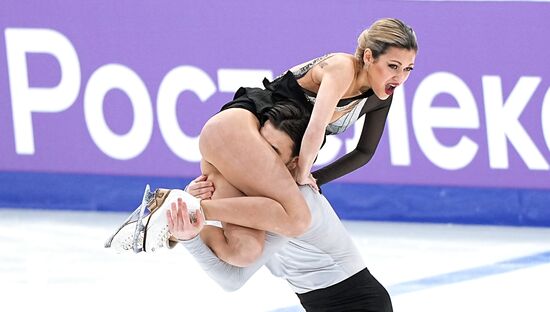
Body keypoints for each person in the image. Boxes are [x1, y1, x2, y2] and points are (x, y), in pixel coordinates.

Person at [108, 18, 417, 265]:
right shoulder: (342, 67)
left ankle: (179, 215)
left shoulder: (380, 98)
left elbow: (364, 153)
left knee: (242, 251)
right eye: (393, 66)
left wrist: (315, 179)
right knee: (297, 218)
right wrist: (301, 174)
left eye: (408, 69)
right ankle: (193, 207)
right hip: (237, 132)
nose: (401, 77)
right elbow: (315, 128)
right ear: (368, 57)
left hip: (251, 163)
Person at [165, 102, 392, 311]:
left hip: (360, 305)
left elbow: (232, 278)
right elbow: (224, 234)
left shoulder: (295, 204)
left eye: (272, 152)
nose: (258, 156)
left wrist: (190, 227)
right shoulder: (252, 193)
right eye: (259, 145)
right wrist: (191, 199)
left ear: (294, 162)